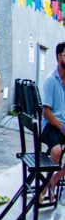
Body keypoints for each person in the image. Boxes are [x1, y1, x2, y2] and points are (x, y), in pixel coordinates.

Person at [41, 41, 65, 199]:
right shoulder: (51, 80)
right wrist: (62, 127)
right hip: (50, 125)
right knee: (56, 151)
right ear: (59, 57)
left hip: (63, 124)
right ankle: (45, 187)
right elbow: (46, 113)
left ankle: (54, 179)